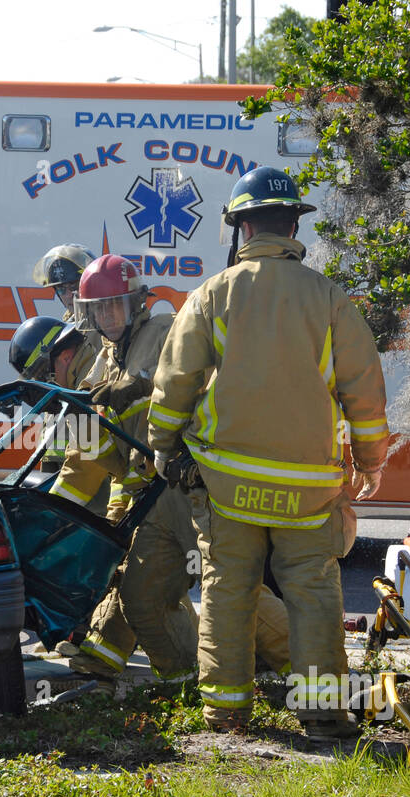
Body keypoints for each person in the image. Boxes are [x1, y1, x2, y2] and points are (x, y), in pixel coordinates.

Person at [147, 166, 389, 739]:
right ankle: (323, 714)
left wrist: (161, 446)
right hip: (308, 488)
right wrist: (371, 461)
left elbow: (175, 379)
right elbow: (365, 390)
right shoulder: (330, 299)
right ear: (292, 224)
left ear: (242, 226)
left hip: (228, 484)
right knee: (313, 592)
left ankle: (227, 713)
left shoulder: (213, 293)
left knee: (228, 590)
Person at [50, 255, 291, 685]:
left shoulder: (166, 332)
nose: (107, 316)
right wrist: (52, 514)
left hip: (194, 482)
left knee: (231, 589)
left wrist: (145, 384)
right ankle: (184, 678)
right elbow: (93, 455)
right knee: (141, 594)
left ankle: (312, 672)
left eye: (115, 305)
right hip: (152, 499)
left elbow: (207, 384)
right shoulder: (101, 366)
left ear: (136, 302)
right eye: (98, 308)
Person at [7, 315, 96, 391]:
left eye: (43, 376)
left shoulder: (94, 384)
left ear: (66, 357)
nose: (44, 385)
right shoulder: (76, 386)